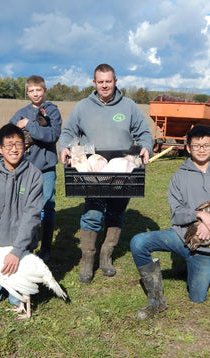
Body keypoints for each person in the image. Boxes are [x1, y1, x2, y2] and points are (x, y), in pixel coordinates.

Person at [130, 125, 210, 319]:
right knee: (139, 242)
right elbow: (176, 214)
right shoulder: (178, 177)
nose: (201, 149)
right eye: (196, 145)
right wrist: (199, 215)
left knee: (197, 297)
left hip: (208, 247)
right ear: (189, 148)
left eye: (206, 145)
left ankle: (190, 263)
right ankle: (156, 300)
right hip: (180, 236)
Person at [58, 63, 153, 283]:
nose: (104, 85)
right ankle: (87, 260)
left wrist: (146, 146)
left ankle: (106, 257)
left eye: (108, 81)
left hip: (123, 169)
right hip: (94, 168)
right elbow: (69, 132)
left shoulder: (128, 106)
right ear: (94, 83)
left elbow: (144, 132)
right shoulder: (83, 107)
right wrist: (64, 147)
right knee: (92, 214)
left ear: (115, 82)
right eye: (100, 82)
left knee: (116, 213)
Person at [0, 124, 43, 309]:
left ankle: (23, 271)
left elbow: (32, 216)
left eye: (18, 144)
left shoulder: (34, 176)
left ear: (25, 146)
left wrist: (17, 251)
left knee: (17, 300)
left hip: (20, 248)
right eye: (9, 145)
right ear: (0, 149)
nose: (14, 149)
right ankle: (3, 279)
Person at [9, 75, 62, 263]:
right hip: (25, 169)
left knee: (47, 205)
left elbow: (52, 135)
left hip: (46, 168)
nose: (35, 93)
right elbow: (10, 133)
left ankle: (46, 248)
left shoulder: (52, 111)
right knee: (25, 207)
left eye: (38, 90)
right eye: (31, 91)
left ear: (45, 90)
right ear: (27, 92)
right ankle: (27, 245)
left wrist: (29, 125)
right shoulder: (21, 112)